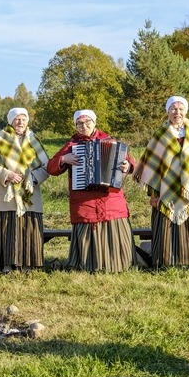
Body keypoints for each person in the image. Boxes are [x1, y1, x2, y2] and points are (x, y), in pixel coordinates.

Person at [133, 96, 189, 269]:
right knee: (167, 225)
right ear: (168, 112)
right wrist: (153, 193)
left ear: (186, 111)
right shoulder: (161, 134)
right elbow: (152, 164)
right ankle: (167, 262)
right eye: (173, 109)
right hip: (165, 188)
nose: (177, 112)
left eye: (180, 109)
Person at [46, 109, 136, 272]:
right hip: (84, 198)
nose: (83, 126)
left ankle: (118, 264)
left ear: (94, 123)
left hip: (110, 197)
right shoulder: (71, 146)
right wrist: (63, 159)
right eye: (79, 123)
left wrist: (127, 166)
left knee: (113, 224)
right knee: (87, 223)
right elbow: (51, 168)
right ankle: (88, 265)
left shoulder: (110, 141)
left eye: (87, 122)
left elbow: (130, 162)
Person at [0, 108, 50, 273]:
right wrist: (7, 174)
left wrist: (32, 178)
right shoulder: (0, 138)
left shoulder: (33, 139)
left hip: (30, 191)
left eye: (23, 119)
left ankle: (29, 265)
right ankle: (7, 265)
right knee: (8, 227)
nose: (20, 122)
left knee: (29, 226)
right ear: (10, 121)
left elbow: (46, 165)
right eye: (17, 119)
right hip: (7, 192)